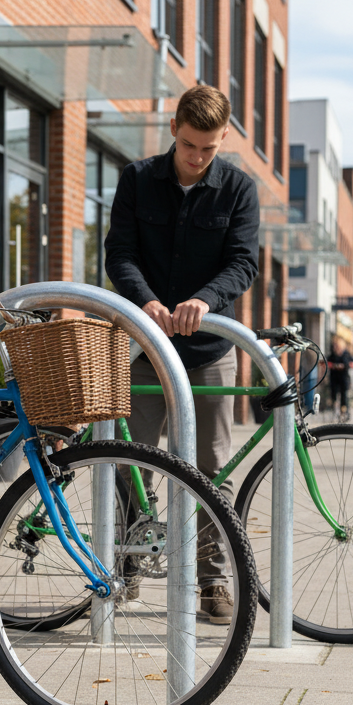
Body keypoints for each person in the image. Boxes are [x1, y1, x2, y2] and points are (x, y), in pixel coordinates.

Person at [104, 84, 259, 625]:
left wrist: (205, 299)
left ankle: (213, 581)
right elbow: (119, 253)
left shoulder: (239, 189)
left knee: (213, 468)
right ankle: (124, 570)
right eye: (191, 144)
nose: (197, 158)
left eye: (210, 148)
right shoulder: (137, 180)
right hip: (144, 348)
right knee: (131, 462)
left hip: (210, 349)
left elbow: (243, 263)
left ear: (222, 141)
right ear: (174, 129)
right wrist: (145, 301)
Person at [326, 336, 353, 421]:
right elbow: (327, 363)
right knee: (333, 395)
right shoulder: (332, 355)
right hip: (334, 378)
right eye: (334, 346)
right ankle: (334, 411)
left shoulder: (346, 354)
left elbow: (351, 363)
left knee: (344, 396)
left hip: (344, 378)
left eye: (337, 345)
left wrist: (342, 366)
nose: (335, 347)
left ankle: (344, 412)